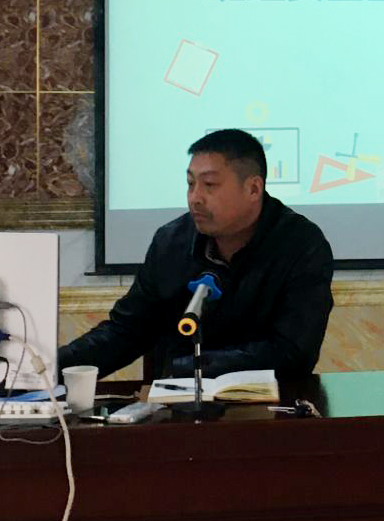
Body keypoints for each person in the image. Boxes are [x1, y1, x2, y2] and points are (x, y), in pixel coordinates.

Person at [57, 129, 334, 379]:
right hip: (177, 405)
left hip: (272, 408)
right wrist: (52, 367)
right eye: (190, 184)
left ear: (253, 188)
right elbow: (127, 331)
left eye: (209, 185)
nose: (195, 198)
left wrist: (193, 367)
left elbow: (293, 353)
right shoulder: (170, 243)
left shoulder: (301, 245)